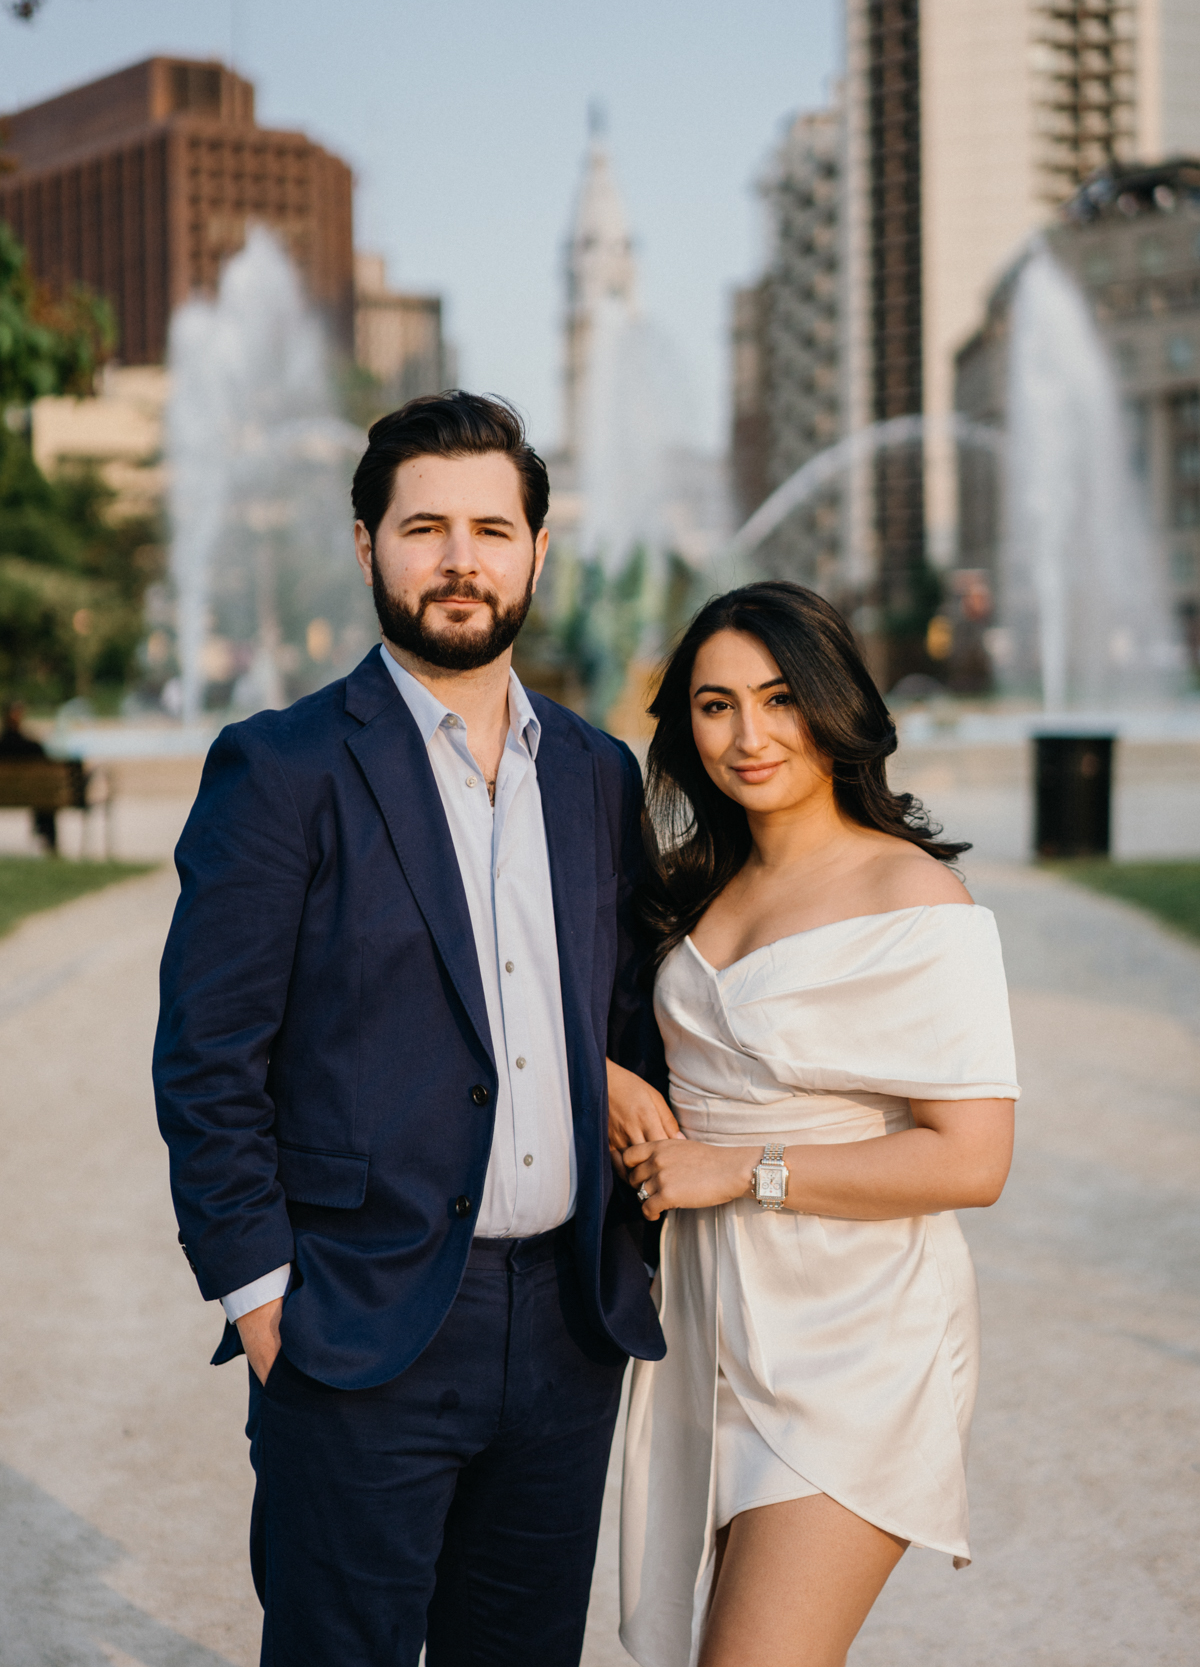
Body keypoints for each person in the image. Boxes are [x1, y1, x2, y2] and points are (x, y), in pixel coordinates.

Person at [153, 392, 677, 1667]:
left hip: (564, 1328)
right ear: (366, 546)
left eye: (492, 529)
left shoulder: (599, 773)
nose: (460, 560)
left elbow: (619, 1013)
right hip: (356, 1323)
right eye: (424, 526)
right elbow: (207, 1058)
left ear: (538, 554)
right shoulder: (280, 769)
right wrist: (262, 1294)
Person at [617, 583, 1019, 1667]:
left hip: (858, 1335)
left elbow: (974, 1160)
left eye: (781, 698)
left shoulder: (917, 897)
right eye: (715, 705)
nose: (749, 736)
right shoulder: (696, 888)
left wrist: (739, 1170)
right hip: (710, 1328)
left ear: (833, 705)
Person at [0, 699, 59, 851]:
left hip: (4, 794)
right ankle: (48, 841)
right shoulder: (32, 747)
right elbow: (48, 770)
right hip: (33, 796)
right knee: (45, 793)